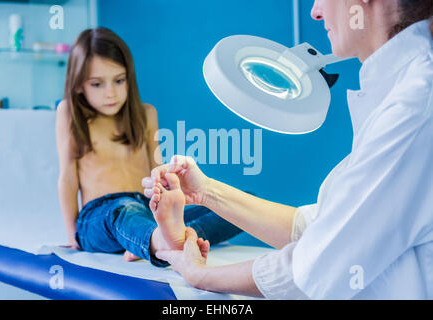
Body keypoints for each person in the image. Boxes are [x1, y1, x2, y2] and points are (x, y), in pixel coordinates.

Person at [142, 0, 433, 299]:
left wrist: (198, 274)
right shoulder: (403, 93)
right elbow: (324, 228)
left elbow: (315, 266)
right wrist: (206, 192)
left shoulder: (415, 107)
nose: (315, 11)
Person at [55, 27, 242, 267]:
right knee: (123, 210)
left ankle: (156, 239)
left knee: (235, 205)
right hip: (100, 216)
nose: (111, 92)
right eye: (97, 84)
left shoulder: (145, 114)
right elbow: (67, 178)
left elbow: (157, 173)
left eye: (119, 80)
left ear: (129, 78)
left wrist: (169, 204)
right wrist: (73, 237)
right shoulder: (70, 113)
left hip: (146, 211)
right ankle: (157, 240)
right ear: (79, 85)